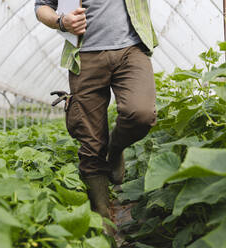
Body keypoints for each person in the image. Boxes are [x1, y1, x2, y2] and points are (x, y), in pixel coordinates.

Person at [34, 0, 158, 228]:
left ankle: (115, 147)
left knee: (140, 113)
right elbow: (42, 6)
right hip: (85, 55)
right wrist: (61, 21)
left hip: (131, 47)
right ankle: (103, 219)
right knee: (91, 142)